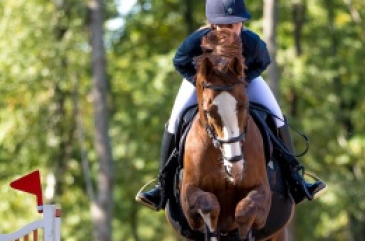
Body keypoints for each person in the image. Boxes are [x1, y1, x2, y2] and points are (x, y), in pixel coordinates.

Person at [135, 0, 326, 211]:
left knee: (277, 115)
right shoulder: (197, 40)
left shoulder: (251, 41)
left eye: (234, 24)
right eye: (223, 25)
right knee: (175, 120)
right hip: (205, 84)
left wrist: (241, 81)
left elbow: (263, 62)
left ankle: (295, 180)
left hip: (242, 83)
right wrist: (202, 86)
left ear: (241, 23)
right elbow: (179, 61)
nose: (229, 29)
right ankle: (162, 188)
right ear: (213, 25)